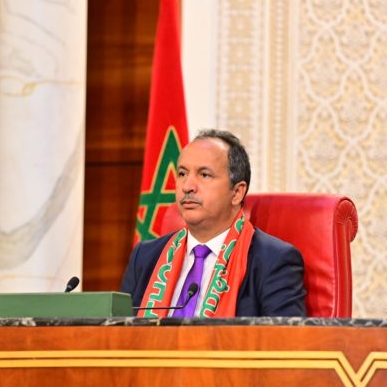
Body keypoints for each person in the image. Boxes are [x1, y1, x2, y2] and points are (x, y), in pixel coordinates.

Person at [121, 129, 306, 318]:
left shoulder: (273, 261)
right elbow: (118, 331)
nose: (187, 186)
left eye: (204, 175)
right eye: (182, 173)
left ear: (237, 193)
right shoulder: (145, 257)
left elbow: (284, 335)